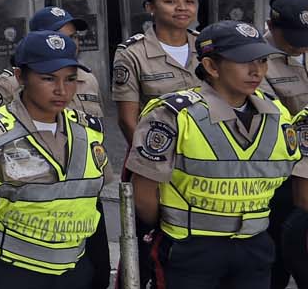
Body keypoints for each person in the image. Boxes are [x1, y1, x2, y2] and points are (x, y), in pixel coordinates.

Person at [127, 20, 304, 289]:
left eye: (262, 60)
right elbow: (144, 197)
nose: (256, 70)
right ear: (211, 66)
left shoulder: (277, 114)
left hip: (254, 246)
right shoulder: (174, 114)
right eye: (243, 61)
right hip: (191, 247)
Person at [0, 30, 112, 288]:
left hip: (74, 267)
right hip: (12, 269)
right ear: (21, 76)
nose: (61, 89)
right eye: (48, 78)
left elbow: (94, 191)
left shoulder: (87, 131)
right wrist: (2, 233)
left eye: (71, 79)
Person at [112, 0, 203, 141]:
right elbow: (127, 120)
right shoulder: (132, 54)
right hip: (159, 153)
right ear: (150, 7)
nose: (182, 7)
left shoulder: (206, 46)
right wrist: (149, 159)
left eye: (189, 1)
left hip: (207, 153)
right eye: (170, 1)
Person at [259, 0, 308, 289]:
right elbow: (274, 122)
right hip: (282, 176)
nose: (301, 45)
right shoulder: (256, 61)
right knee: (275, 257)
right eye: (292, 39)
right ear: (271, 27)